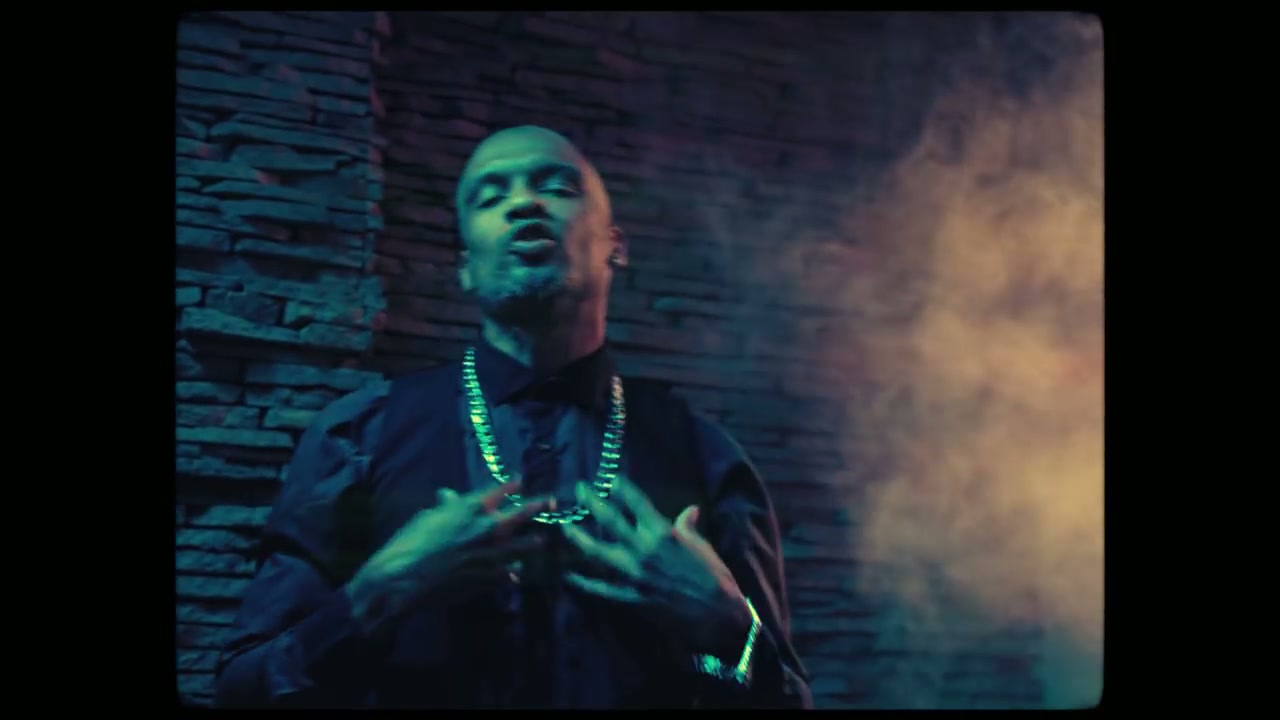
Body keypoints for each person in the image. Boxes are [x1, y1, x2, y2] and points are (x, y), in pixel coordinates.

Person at [212, 125, 814, 709]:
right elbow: (243, 687)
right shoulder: (357, 439)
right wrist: (379, 591)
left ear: (615, 245)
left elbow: (789, 699)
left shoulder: (705, 456)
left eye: (557, 186)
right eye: (490, 196)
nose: (524, 203)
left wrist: (729, 630)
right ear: (466, 265)